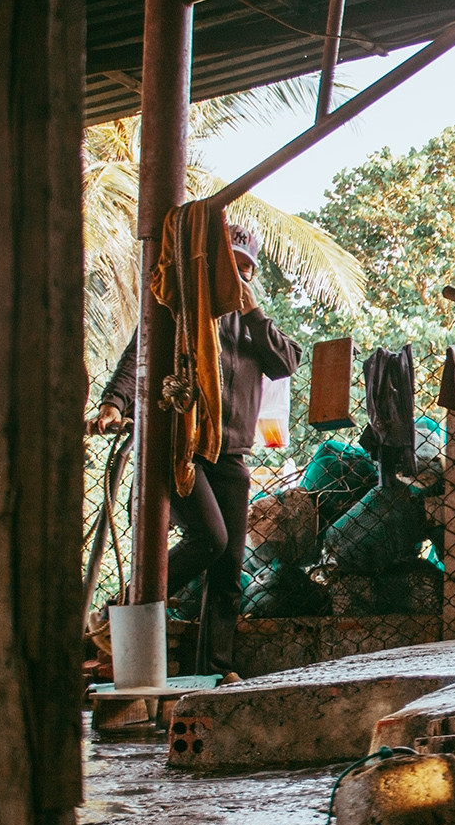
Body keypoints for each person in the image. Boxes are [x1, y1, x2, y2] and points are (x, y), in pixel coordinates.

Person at [91, 231, 301, 675]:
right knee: (210, 538)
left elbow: (285, 363)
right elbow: (139, 356)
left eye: (245, 270)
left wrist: (253, 312)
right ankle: (117, 614)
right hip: (182, 447)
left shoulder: (252, 325)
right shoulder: (181, 312)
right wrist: (115, 403)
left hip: (232, 454)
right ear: (210, 269)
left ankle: (215, 669)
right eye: (230, 267)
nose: (238, 277)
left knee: (228, 571)